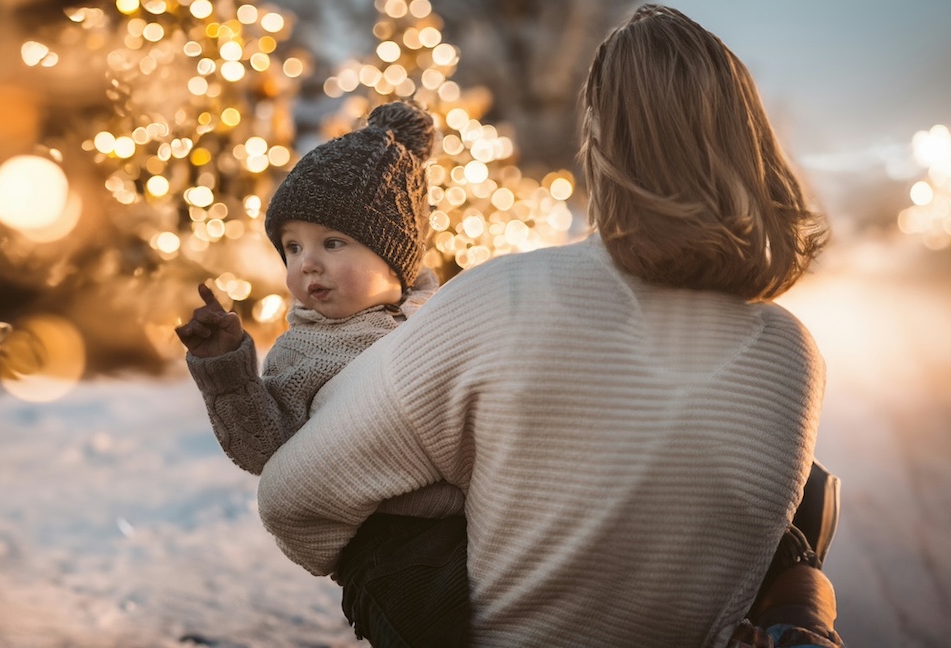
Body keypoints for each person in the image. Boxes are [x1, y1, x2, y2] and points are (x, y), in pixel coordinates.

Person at [256, 5, 842, 647]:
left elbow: (293, 497)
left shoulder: (502, 298)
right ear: (753, 142)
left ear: (597, 142)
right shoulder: (791, 354)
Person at [175, 101, 471, 647]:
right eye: (293, 247)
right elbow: (265, 447)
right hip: (388, 543)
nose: (307, 263)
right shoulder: (305, 349)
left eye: (333, 242)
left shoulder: (444, 317)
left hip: (473, 523)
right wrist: (226, 371)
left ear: (395, 258)